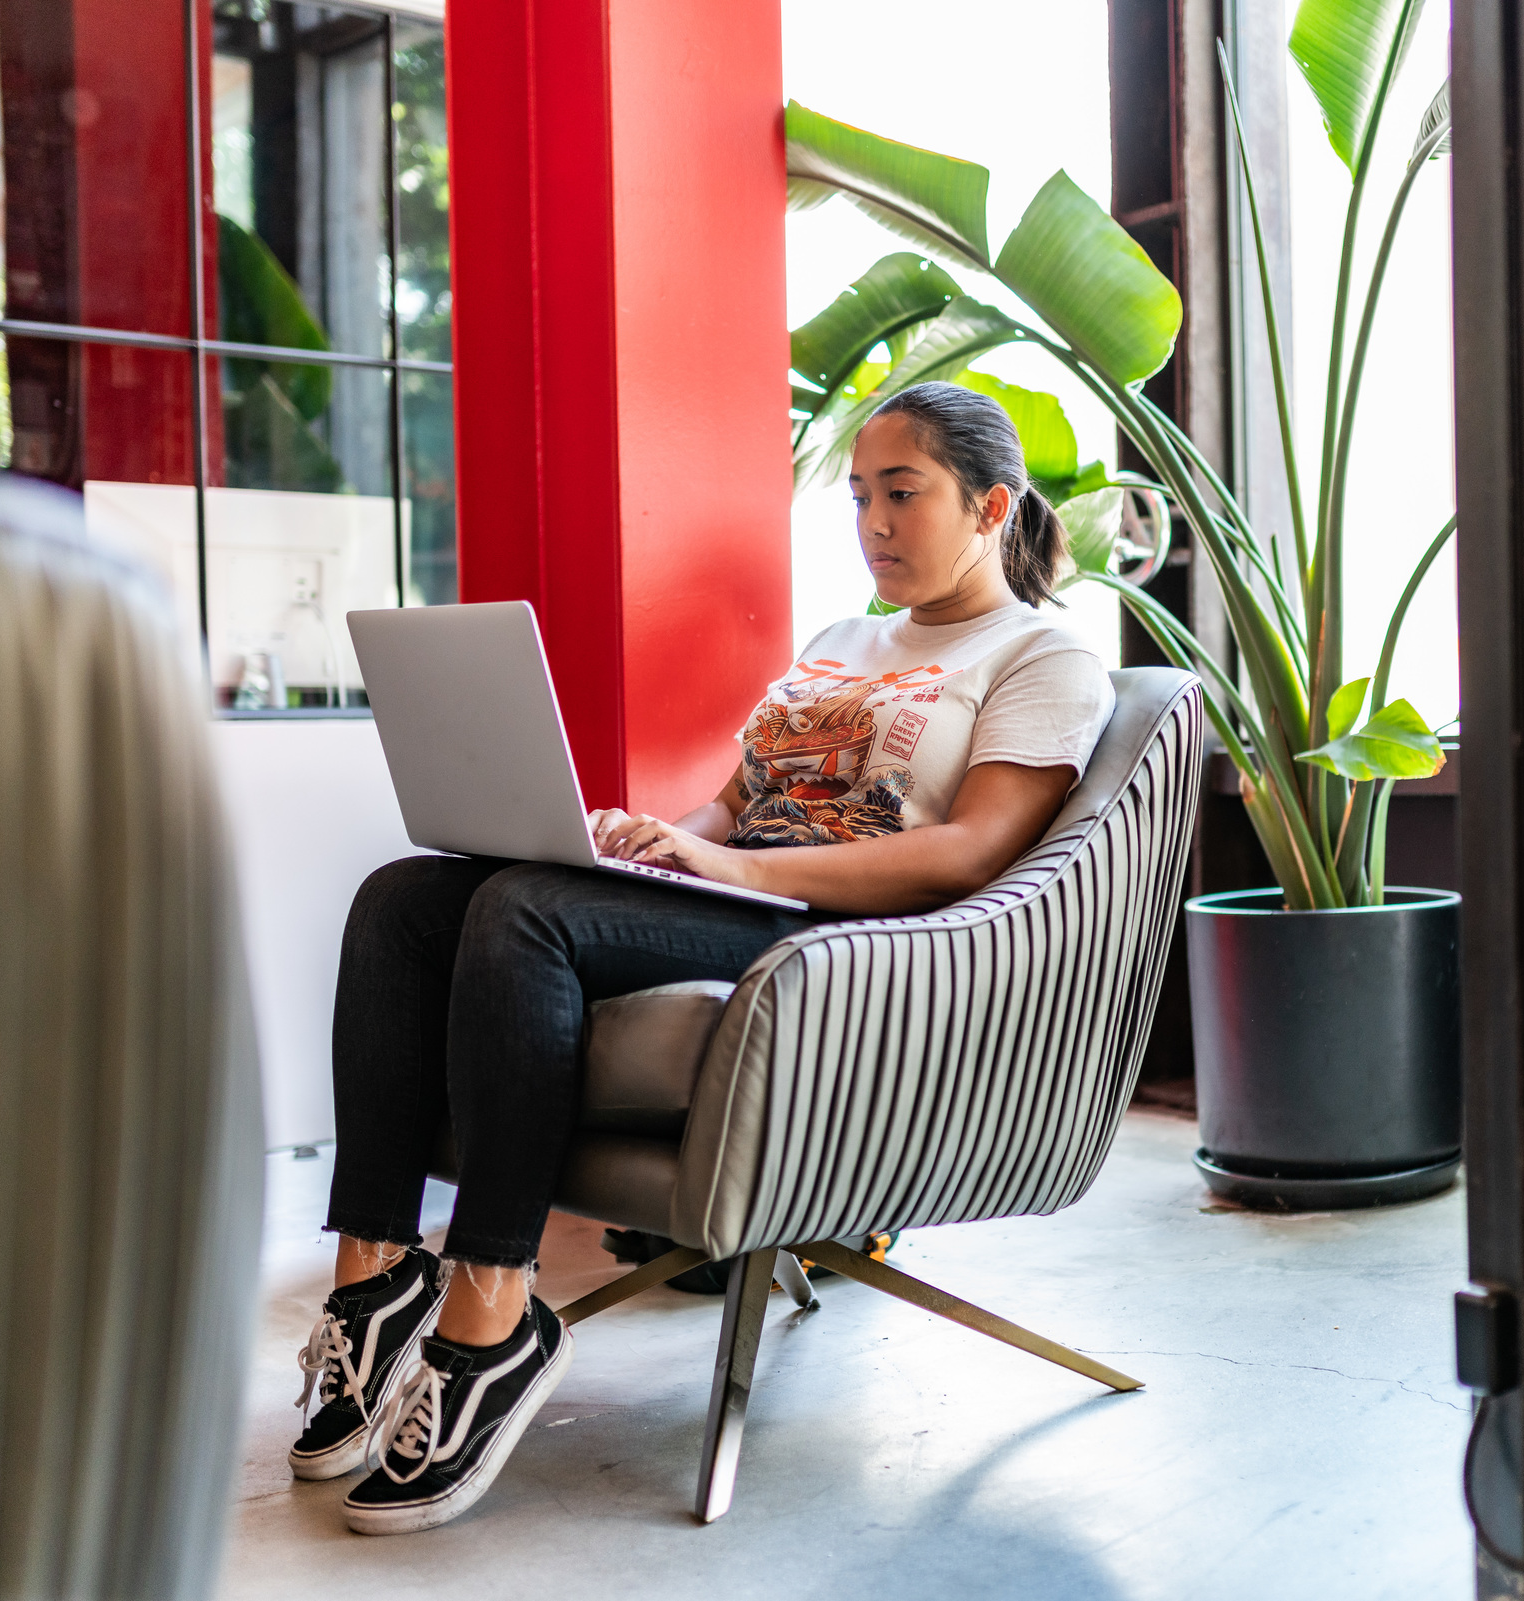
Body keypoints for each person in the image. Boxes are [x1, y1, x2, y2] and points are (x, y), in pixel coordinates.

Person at [294, 381, 1117, 1535]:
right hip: (733, 891)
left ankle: (492, 1319)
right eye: (859, 496)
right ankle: (375, 1280)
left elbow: (969, 853)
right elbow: (734, 805)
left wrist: (731, 869)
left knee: (525, 911)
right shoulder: (840, 642)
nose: (875, 522)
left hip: (835, 940)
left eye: (903, 492)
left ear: (991, 505)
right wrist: (653, 844)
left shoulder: (1042, 655)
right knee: (405, 898)